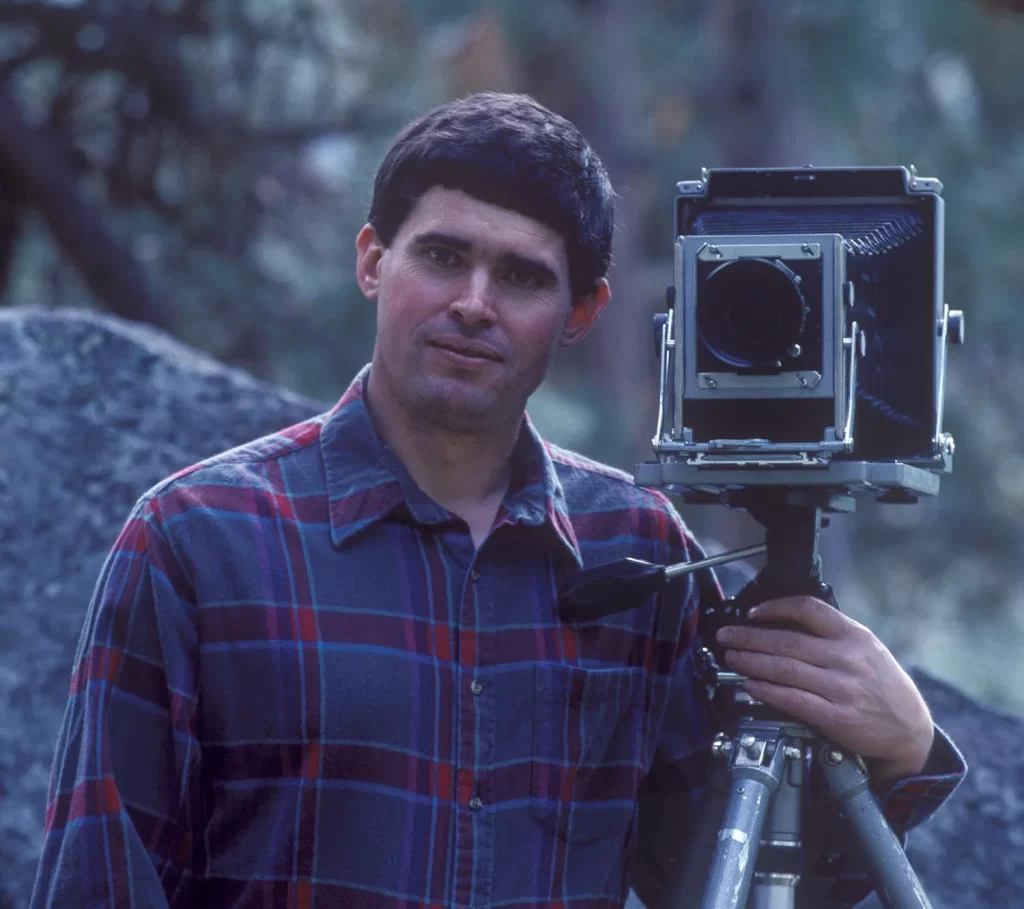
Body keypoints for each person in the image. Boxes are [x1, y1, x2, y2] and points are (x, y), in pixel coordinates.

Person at [30, 92, 964, 909]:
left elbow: (731, 877)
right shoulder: (198, 540)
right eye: (442, 255)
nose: (474, 302)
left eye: (521, 275)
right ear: (372, 262)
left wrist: (902, 750)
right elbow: (99, 879)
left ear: (581, 312)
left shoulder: (636, 555)